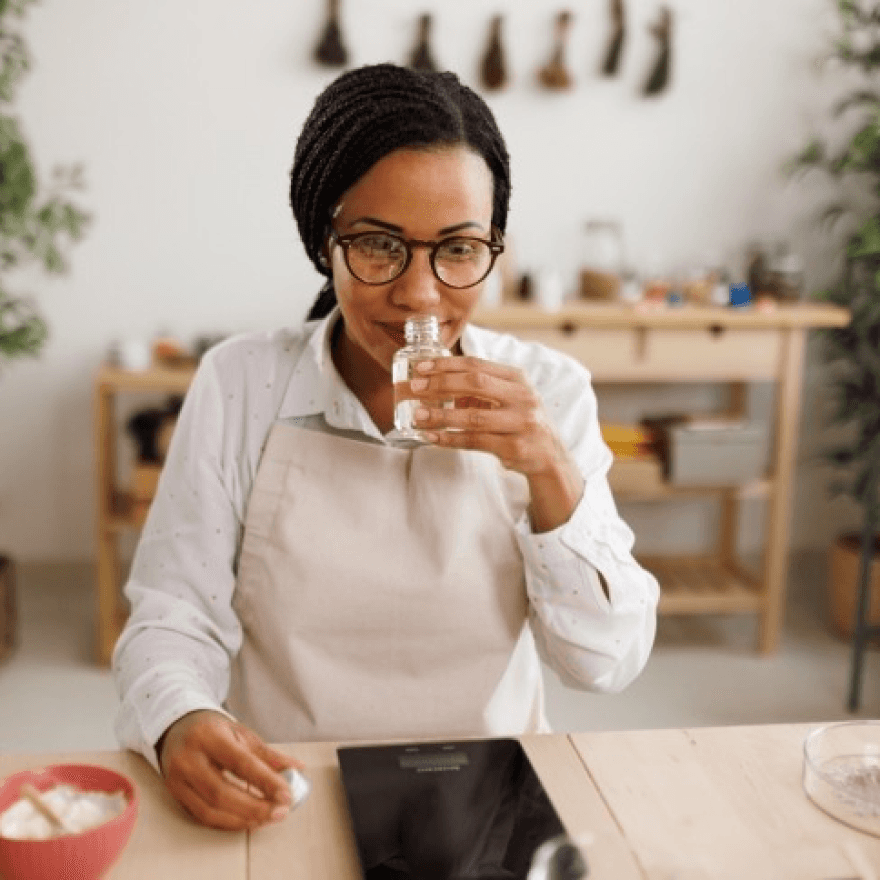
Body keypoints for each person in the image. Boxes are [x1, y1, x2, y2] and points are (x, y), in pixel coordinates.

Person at [112, 62, 659, 832]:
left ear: (493, 247)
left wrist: (546, 466)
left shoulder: (551, 392)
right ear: (324, 242)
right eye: (378, 244)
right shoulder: (240, 383)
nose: (420, 294)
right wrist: (179, 719)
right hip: (285, 789)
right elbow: (172, 614)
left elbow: (606, 661)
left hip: (486, 803)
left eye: (459, 249)